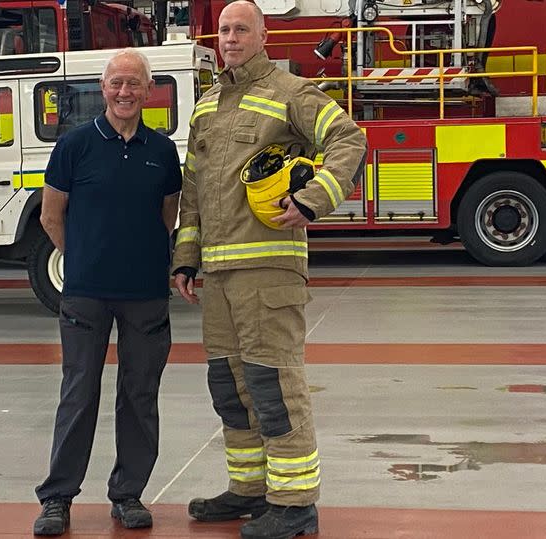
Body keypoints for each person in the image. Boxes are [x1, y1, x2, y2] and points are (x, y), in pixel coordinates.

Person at [171, 2, 367, 538]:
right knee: (230, 387)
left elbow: (349, 140)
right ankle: (250, 490)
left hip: (269, 267)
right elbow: (194, 191)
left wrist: (313, 200)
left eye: (241, 29)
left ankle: (295, 503)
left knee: (273, 384)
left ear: (263, 34)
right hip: (218, 273)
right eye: (225, 30)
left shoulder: (291, 92)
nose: (230, 38)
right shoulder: (207, 105)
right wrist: (186, 257)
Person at [33, 48, 182, 536]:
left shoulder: (161, 152)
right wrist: (84, 261)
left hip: (145, 295)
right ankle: (57, 498)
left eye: (133, 83)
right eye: (116, 83)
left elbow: (168, 217)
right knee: (78, 394)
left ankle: (128, 494)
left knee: (140, 395)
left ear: (147, 90)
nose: (124, 92)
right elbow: (51, 216)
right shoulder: (74, 146)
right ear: (103, 89)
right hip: (85, 296)